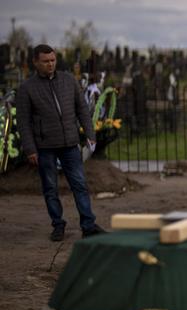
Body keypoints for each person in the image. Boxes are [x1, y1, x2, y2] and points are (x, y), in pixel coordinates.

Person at [16, 44, 106, 241]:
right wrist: (30, 148)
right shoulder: (27, 89)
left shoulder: (68, 81)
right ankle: (58, 225)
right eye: (46, 61)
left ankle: (88, 225)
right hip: (45, 147)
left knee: (80, 185)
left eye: (53, 60)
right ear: (35, 62)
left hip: (70, 144)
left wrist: (89, 134)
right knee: (50, 188)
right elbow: (23, 122)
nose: (50, 64)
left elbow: (82, 109)